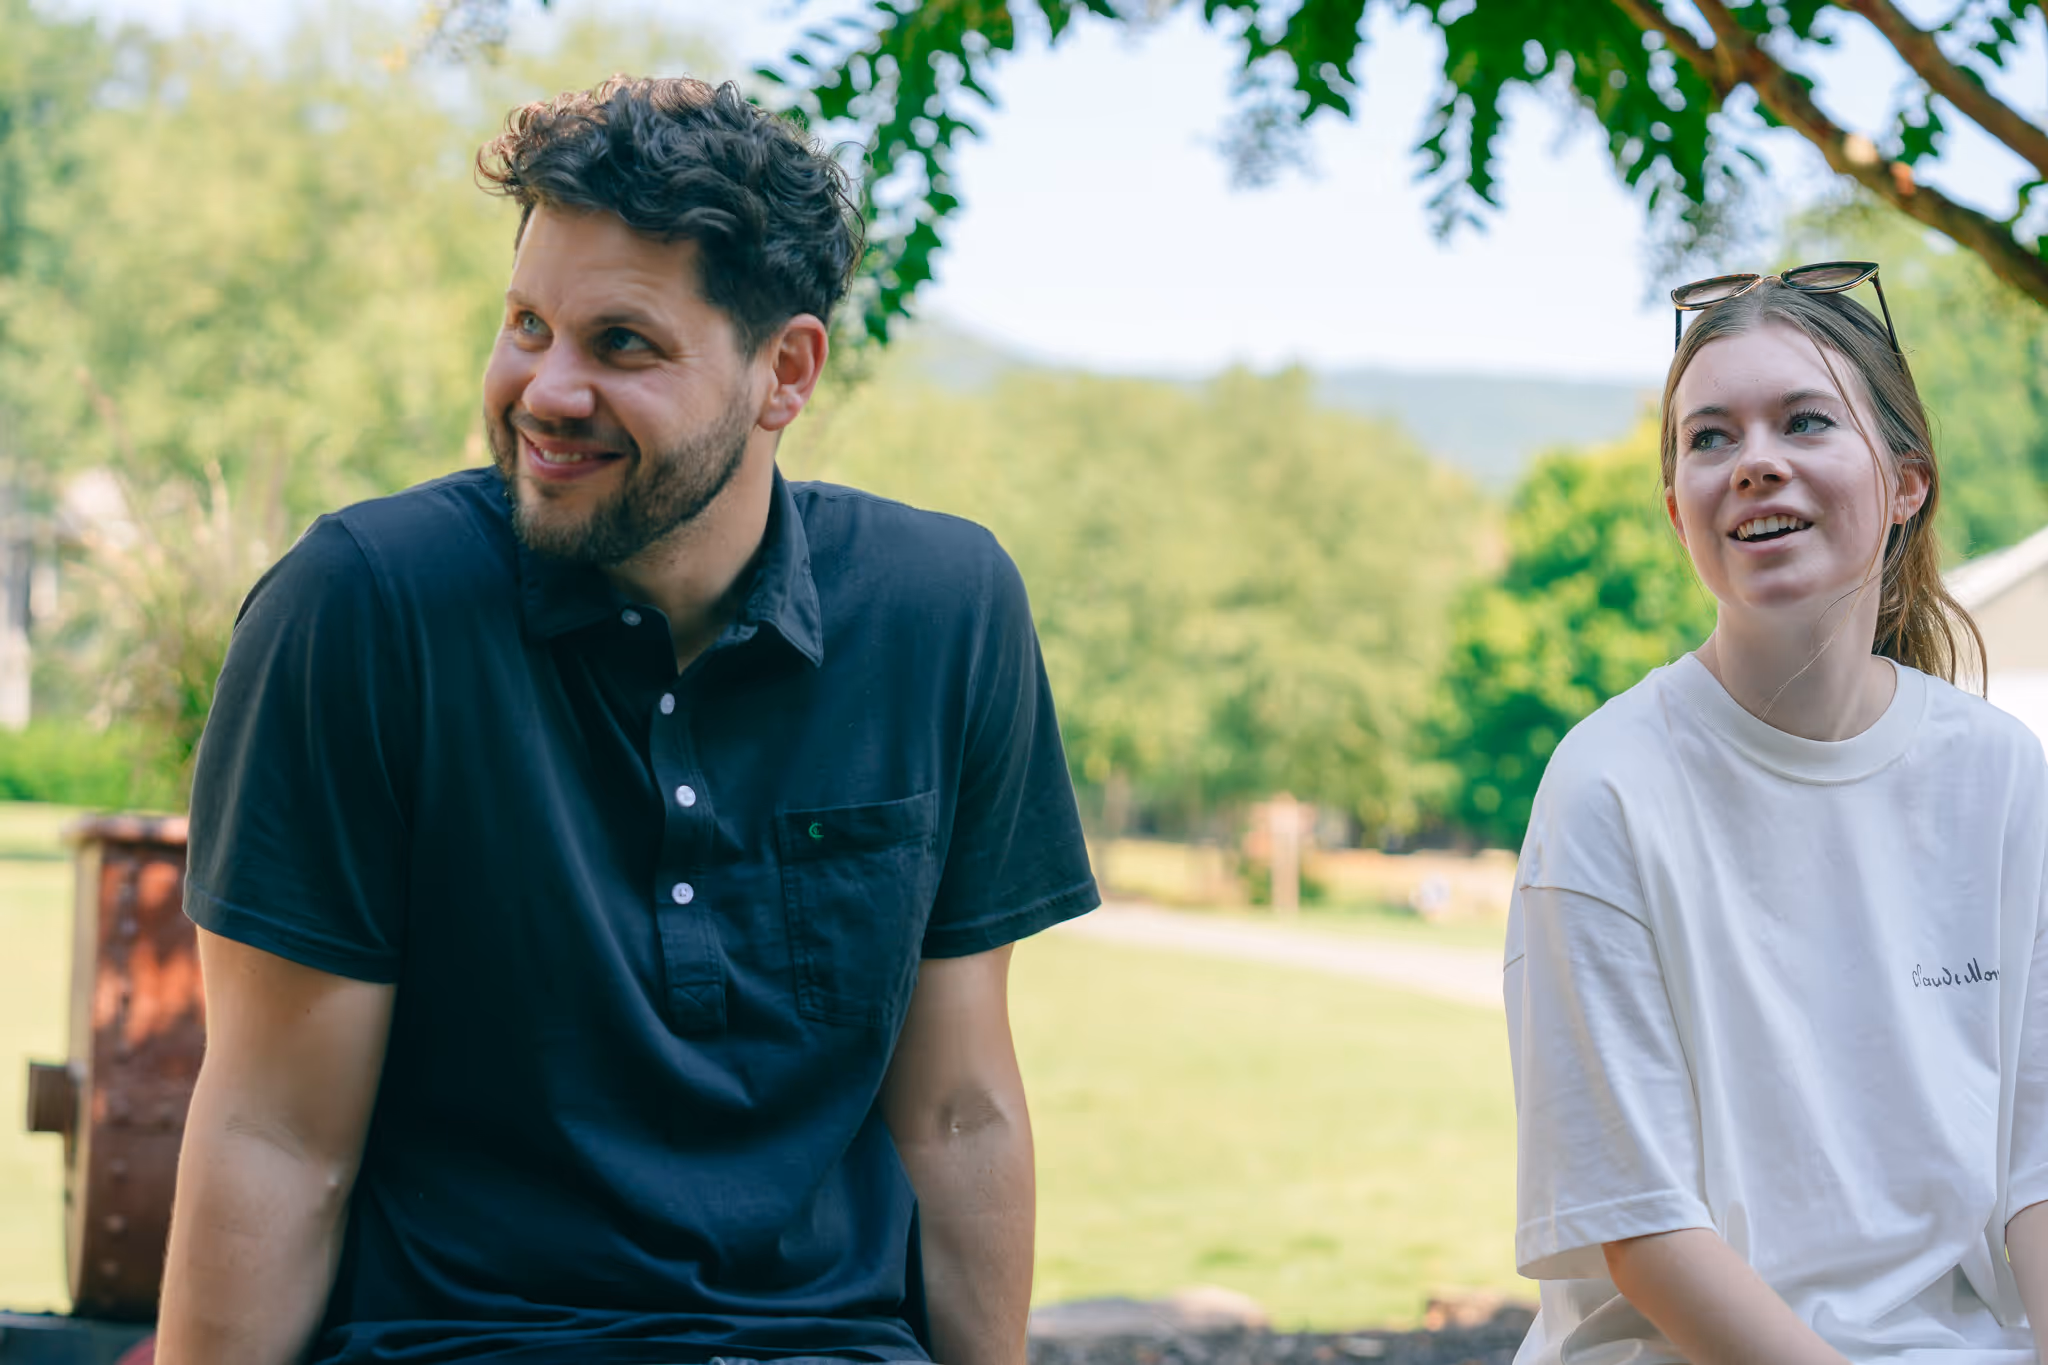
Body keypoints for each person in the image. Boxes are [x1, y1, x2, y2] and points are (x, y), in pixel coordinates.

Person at [155, 75, 1099, 1365]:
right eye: (526, 324)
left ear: (785, 372)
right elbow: (275, 1131)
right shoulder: (363, 609)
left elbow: (957, 1111)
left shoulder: (945, 612)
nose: (544, 390)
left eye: (621, 345)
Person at [1504, 263, 2048, 1365]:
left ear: (1905, 484)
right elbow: (1643, 1231)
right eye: (1708, 439)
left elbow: (2035, 1172)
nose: (1753, 462)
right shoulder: (1606, 784)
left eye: (1802, 421)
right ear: (1676, 511)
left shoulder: (1997, 773)